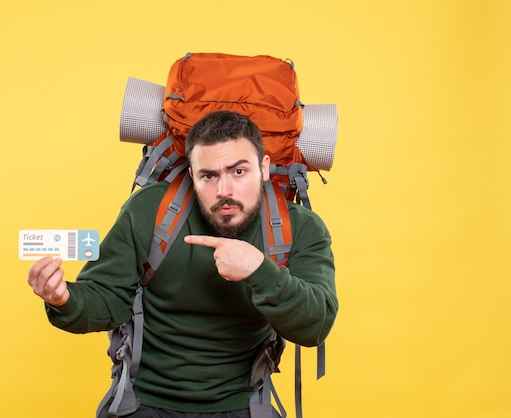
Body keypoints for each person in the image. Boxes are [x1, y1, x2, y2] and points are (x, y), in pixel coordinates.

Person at [27, 110, 338, 418]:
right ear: (192, 175)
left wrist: (259, 270)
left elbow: (315, 326)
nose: (224, 191)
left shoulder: (298, 228)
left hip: (244, 403)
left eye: (239, 172)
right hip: (143, 401)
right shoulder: (150, 209)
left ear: (264, 167)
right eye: (209, 175)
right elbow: (109, 299)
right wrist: (64, 299)